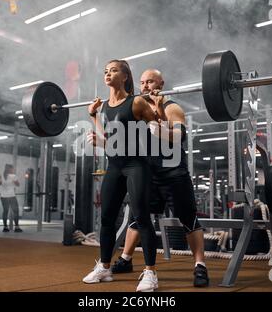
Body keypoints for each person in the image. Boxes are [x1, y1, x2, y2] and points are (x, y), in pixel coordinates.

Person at [110, 69, 210, 287]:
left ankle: (200, 266)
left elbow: (178, 137)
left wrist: (159, 128)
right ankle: (126, 259)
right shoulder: (138, 109)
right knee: (139, 217)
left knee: (189, 220)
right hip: (148, 173)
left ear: (161, 84)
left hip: (174, 174)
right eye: (143, 82)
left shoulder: (172, 107)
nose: (145, 86)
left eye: (151, 81)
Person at [82, 60, 161, 292]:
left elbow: (157, 128)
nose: (108, 73)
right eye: (106, 71)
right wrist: (92, 115)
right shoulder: (105, 106)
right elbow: (105, 139)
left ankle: (150, 272)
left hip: (136, 165)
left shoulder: (136, 102)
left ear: (125, 76)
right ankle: (104, 267)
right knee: (107, 218)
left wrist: (157, 105)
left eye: (113, 70)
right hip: (114, 166)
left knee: (142, 217)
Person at [0, 164, 23, 233]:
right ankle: (17, 227)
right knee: (16, 211)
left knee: (5, 211)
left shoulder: (2, 176)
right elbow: (18, 184)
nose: (13, 170)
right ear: (10, 169)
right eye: (12, 169)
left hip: (3, 197)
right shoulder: (13, 176)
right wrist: (14, 181)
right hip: (11, 196)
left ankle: (5, 227)